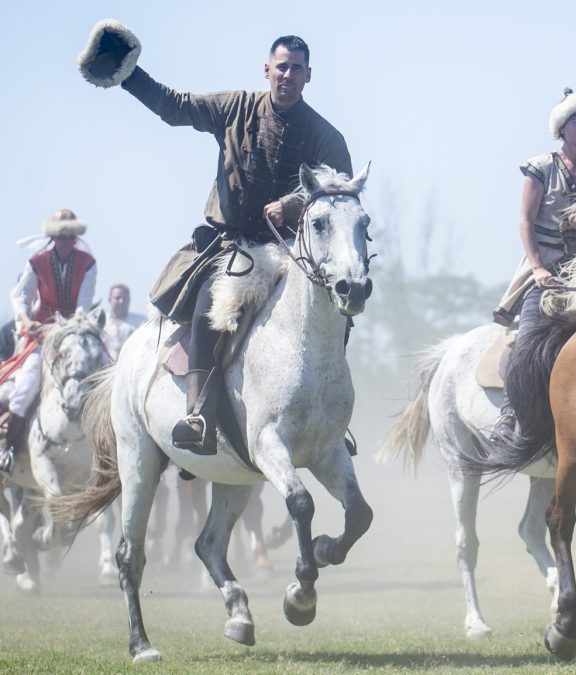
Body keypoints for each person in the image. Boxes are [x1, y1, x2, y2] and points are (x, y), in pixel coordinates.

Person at [78, 22, 352, 455]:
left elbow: (339, 193)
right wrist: (128, 74)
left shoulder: (326, 137)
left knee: (336, 310)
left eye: (297, 69)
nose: (288, 75)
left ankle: (330, 415)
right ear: (267, 69)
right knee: (210, 299)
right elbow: (175, 107)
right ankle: (198, 413)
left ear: (308, 76)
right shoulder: (235, 107)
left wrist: (293, 205)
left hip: (291, 255)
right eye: (282, 67)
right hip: (230, 246)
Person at [489, 88, 576, 443]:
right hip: (543, 271)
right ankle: (509, 414)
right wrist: (537, 268)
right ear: (562, 126)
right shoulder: (541, 167)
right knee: (528, 337)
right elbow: (525, 223)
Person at [0, 210, 97, 475]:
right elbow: (18, 295)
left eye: (69, 236)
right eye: (59, 237)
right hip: (39, 340)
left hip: (71, 335)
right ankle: (8, 449)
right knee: (26, 385)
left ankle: (105, 447)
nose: (64, 241)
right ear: (52, 238)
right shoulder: (37, 261)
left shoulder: (87, 263)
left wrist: (64, 328)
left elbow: (82, 308)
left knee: (101, 376)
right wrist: (25, 320)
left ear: (75, 238)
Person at [101, 283, 144, 359]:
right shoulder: (100, 322)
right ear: (109, 300)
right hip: (104, 368)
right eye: (117, 298)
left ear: (129, 300)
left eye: (124, 298)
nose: (121, 301)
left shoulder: (141, 322)